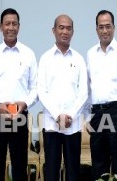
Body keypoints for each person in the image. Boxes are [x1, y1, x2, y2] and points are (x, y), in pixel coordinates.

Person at [0, 8, 38, 181]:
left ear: (19, 27)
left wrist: (25, 104)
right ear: (1, 27)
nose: (11, 27)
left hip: (19, 115)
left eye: (14, 24)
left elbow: (35, 88)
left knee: (20, 166)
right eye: (7, 24)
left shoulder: (28, 54)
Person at [86, 10, 117, 180]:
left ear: (114, 28)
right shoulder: (91, 54)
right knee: (98, 163)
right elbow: (88, 89)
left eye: (108, 26)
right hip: (97, 114)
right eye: (101, 27)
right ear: (96, 30)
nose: (105, 30)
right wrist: (88, 117)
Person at [37, 14, 87, 181]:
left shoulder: (79, 59)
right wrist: (58, 115)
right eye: (61, 27)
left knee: (73, 171)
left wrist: (70, 115)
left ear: (73, 32)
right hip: (52, 124)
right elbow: (42, 91)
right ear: (54, 31)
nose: (65, 31)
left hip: (73, 125)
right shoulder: (45, 59)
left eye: (68, 28)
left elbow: (83, 92)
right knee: (51, 171)